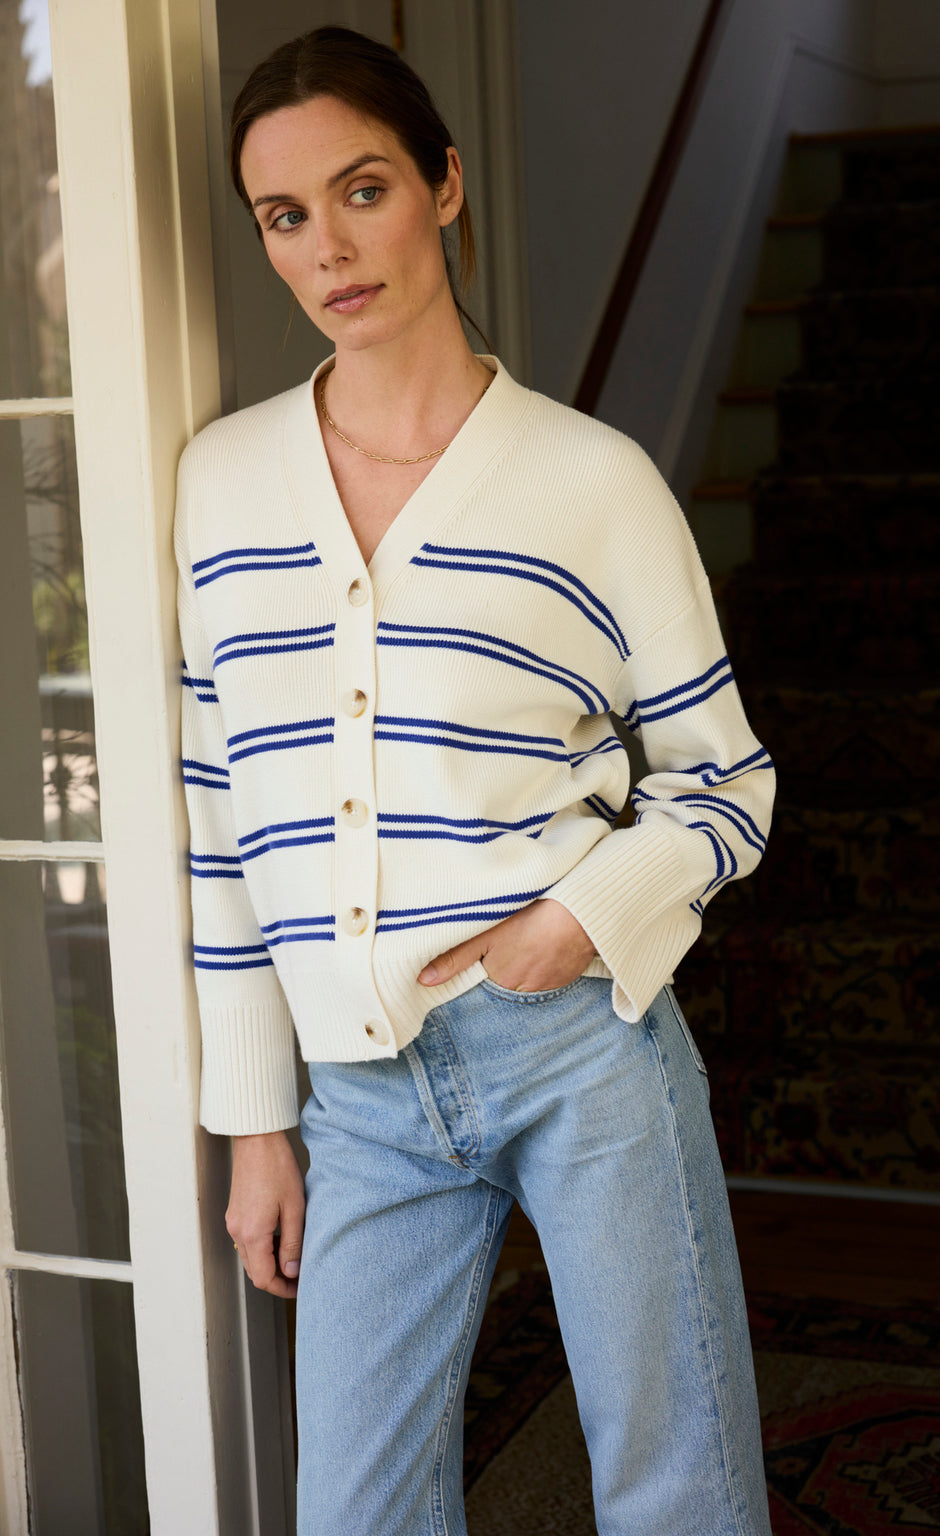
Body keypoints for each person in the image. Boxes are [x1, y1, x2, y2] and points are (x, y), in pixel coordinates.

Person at [175, 25, 775, 1536]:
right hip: (361, 1092)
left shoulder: (594, 482)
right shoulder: (222, 484)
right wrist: (256, 1121)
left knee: (674, 1485)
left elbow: (726, 784)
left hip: (578, 1043)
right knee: (357, 1514)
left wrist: (575, 920)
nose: (329, 248)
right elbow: (219, 815)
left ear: (444, 184)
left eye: (362, 189)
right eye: (285, 217)